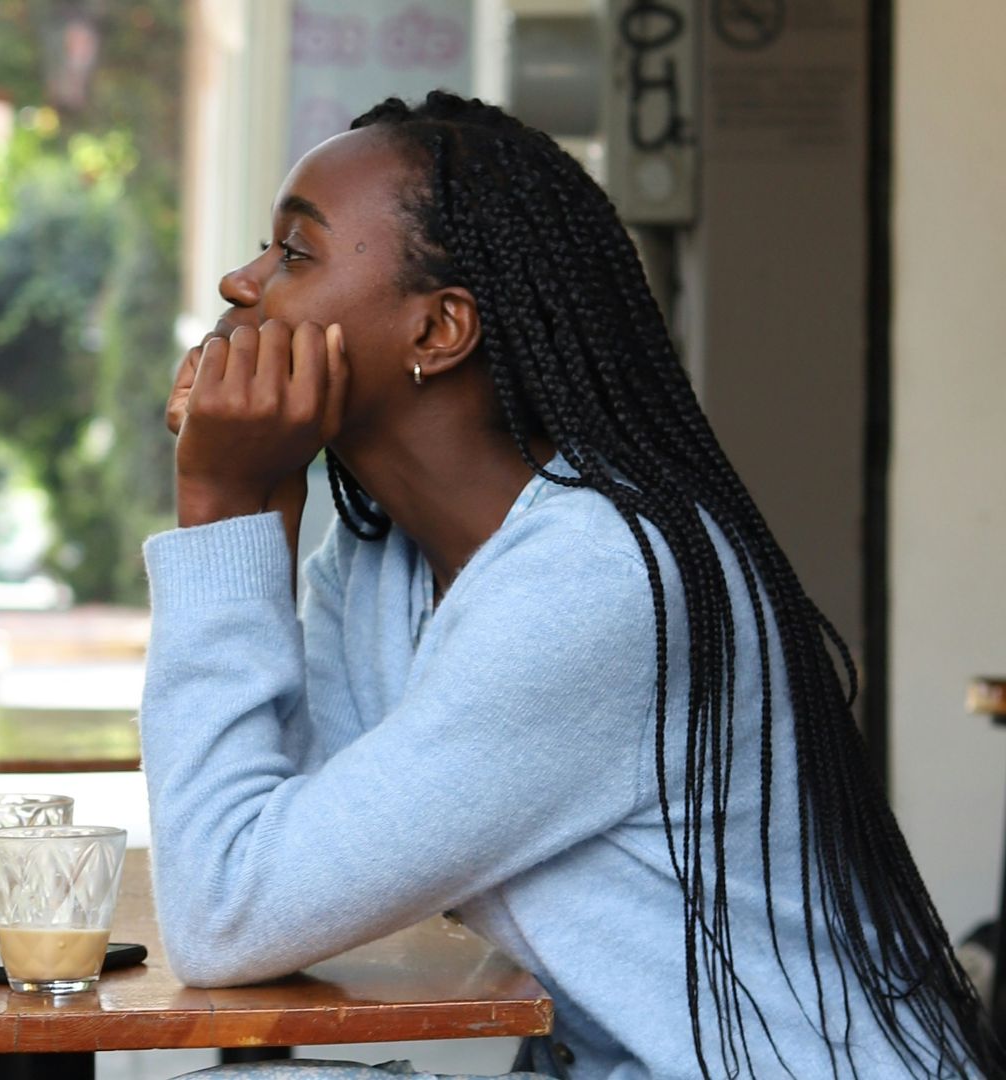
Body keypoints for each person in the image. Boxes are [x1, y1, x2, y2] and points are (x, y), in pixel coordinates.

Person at [144, 92, 1002, 1078]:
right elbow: (276, 854)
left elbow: (228, 911)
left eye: (294, 254)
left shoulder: (595, 584)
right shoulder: (379, 564)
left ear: (440, 330)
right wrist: (262, 515)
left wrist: (221, 504)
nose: (239, 283)